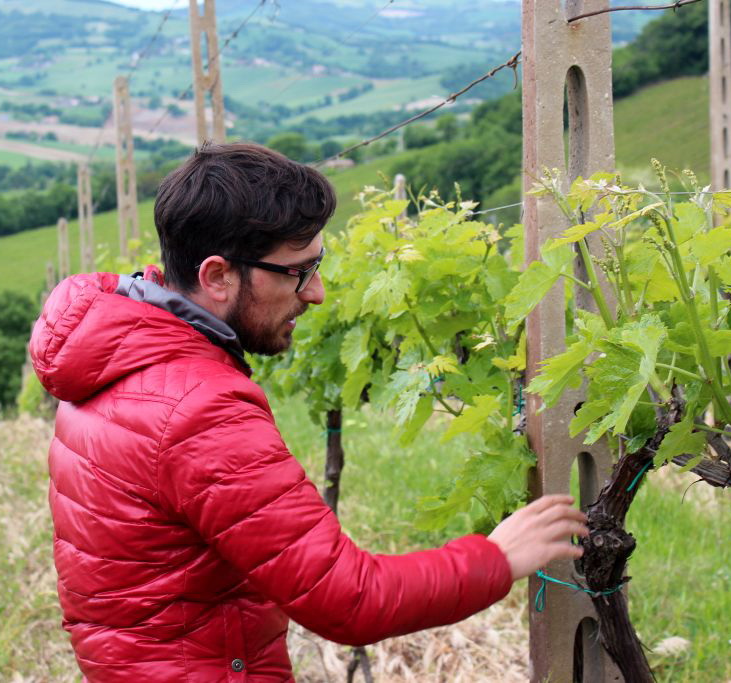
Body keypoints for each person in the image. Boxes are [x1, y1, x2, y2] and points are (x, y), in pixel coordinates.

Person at [29, 142, 588, 682]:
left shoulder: (113, 356)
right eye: (297, 270)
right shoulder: (196, 409)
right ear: (217, 276)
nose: (316, 292)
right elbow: (349, 599)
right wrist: (496, 558)